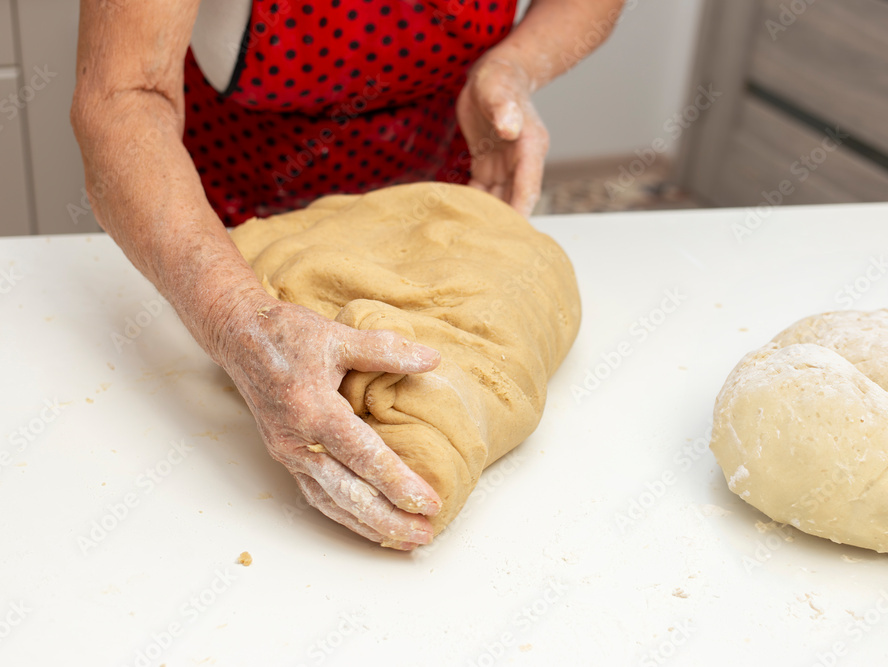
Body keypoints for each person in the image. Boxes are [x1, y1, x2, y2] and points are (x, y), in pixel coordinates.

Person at [71, 0, 624, 549]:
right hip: (229, 218)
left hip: (442, 206)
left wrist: (512, 67)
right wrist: (236, 317)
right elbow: (124, 97)